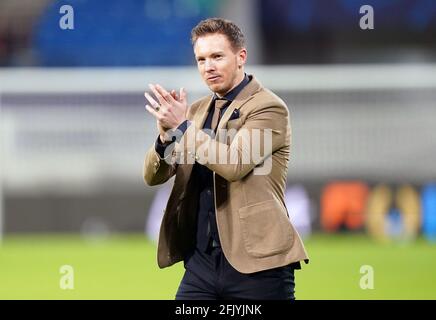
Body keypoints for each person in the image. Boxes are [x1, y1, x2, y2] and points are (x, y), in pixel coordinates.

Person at [143, 18, 308, 300]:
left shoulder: (268, 108)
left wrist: (183, 127)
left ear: (241, 56)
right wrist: (166, 136)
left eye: (217, 56)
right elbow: (153, 176)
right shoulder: (195, 111)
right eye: (201, 59)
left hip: (258, 263)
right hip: (202, 264)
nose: (208, 66)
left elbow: (234, 164)